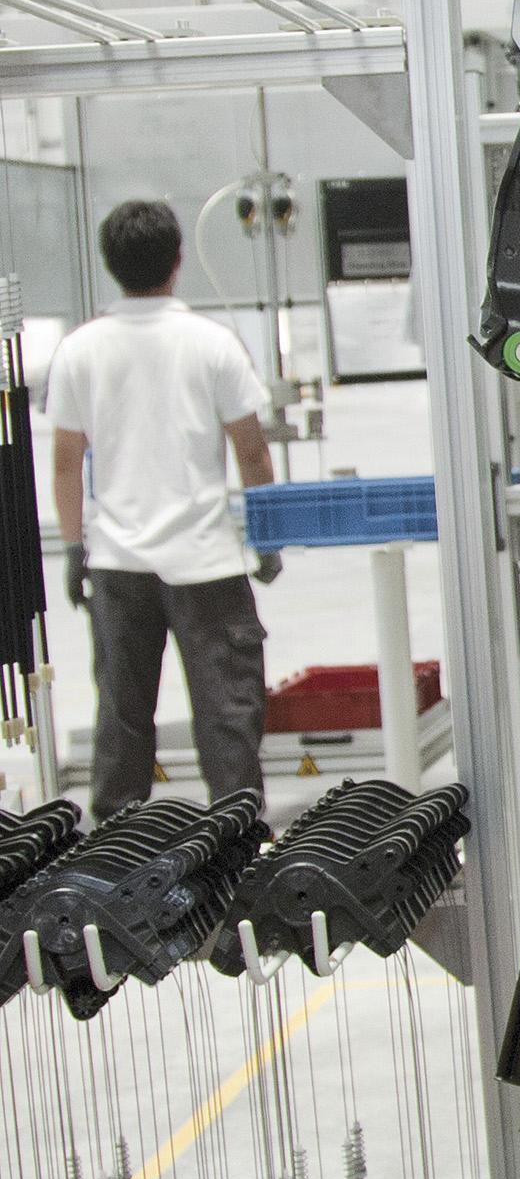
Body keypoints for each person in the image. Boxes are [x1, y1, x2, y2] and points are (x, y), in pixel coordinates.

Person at [46, 197, 279, 820]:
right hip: (207, 564)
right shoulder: (213, 344)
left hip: (119, 565)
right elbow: (251, 451)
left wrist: (73, 547)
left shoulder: (80, 350)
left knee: (122, 720)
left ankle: (116, 855)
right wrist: (268, 535)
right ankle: (236, 845)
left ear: (109, 264)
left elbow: (66, 462)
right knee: (228, 717)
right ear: (178, 260)